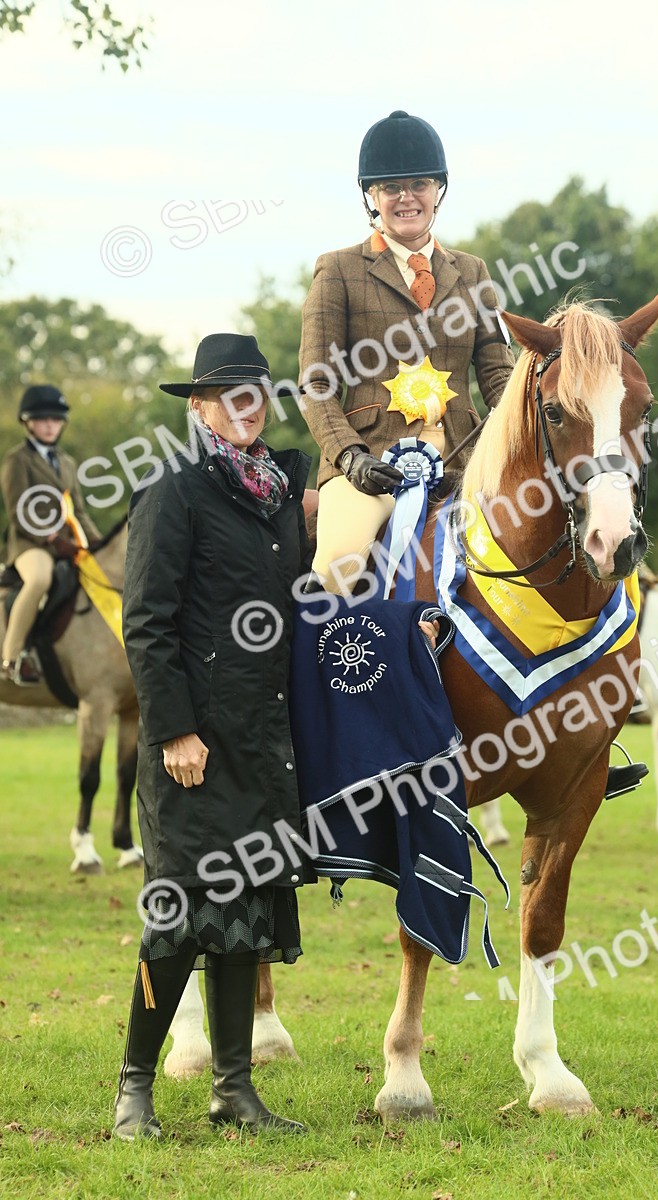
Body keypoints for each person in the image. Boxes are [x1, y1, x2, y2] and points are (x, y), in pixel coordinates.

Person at [116, 333, 310, 1140]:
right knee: (177, 915)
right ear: (198, 409)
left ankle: (234, 1089)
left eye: (256, 394)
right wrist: (174, 732)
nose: (246, 407)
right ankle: (135, 1090)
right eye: (228, 395)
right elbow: (148, 623)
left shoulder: (273, 495)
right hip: (193, 750)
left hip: (262, 744)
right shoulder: (174, 492)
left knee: (246, 915)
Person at [299, 109, 516, 593]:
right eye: (390, 186)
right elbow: (317, 384)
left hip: (466, 463)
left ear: (439, 189)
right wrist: (350, 457)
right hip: (370, 467)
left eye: (418, 183)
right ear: (370, 197)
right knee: (338, 560)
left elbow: (499, 376)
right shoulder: (337, 271)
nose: (405, 197)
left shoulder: (473, 272)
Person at [1, 385, 102, 684]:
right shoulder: (17, 460)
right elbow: (18, 510)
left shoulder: (68, 463)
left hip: (67, 544)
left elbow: (78, 511)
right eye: (43, 419)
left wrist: (97, 542)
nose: (49, 425)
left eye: (55, 420)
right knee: (40, 579)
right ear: (27, 422)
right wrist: (52, 539)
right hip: (30, 544)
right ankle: (12, 657)